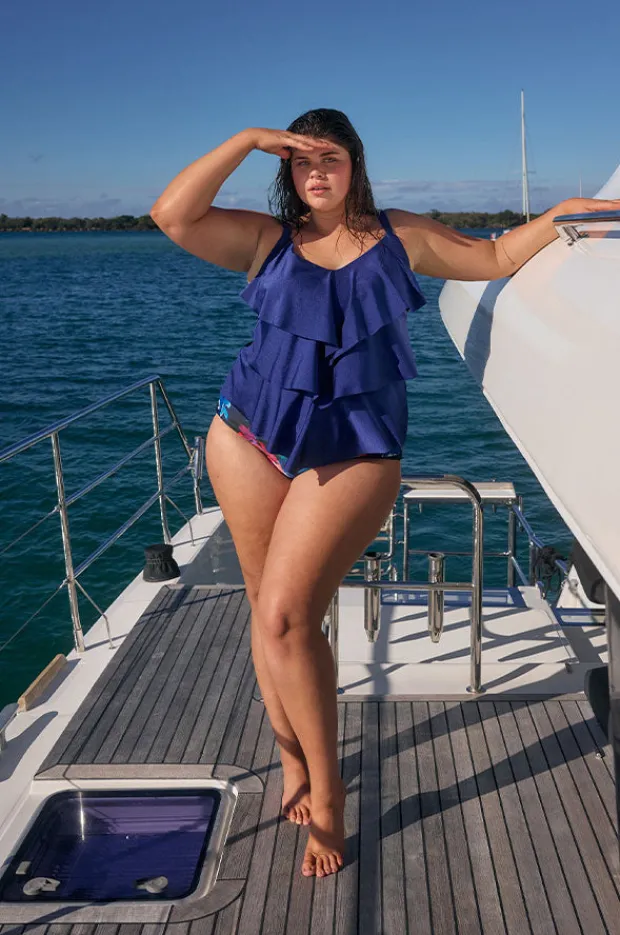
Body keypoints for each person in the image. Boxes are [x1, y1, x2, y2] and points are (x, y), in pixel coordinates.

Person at [150, 109, 620, 879]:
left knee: (287, 614)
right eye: (301, 162)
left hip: (355, 447)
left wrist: (560, 215)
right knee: (265, 611)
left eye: (329, 158)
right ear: (287, 171)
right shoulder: (269, 242)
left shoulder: (398, 236)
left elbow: (493, 256)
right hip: (246, 435)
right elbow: (173, 214)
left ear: (355, 165)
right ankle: (290, 756)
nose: (316, 173)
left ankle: (329, 795)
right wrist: (245, 141)